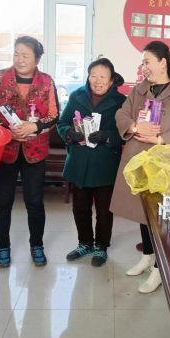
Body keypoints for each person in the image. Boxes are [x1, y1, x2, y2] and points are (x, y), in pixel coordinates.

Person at [111, 41, 170, 294]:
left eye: (147, 61)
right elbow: (121, 115)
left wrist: (160, 139)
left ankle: (161, 268)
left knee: (161, 217)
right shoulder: (139, 90)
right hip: (138, 160)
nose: (144, 67)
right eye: (143, 62)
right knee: (142, 211)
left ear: (163, 63)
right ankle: (147, 256)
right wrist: (135, 127)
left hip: (164, 164)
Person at [0, 36, 59, 268]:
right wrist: (6, 131)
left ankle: (37, 245)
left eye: (25, 55)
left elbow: (54, 115)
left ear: (37, 59)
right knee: (3, 202)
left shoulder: (46, 81)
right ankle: (2, 247)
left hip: (35, 151)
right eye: (16, 54)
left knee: (34, 202)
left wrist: (35, 126)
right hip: (5, 149)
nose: (20, 59)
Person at [57, 58, 126, 267]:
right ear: (88, 77)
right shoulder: (76, 96)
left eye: (103, 77)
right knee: (80, 208)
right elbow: (62, 122)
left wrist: (107, 135)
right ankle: (85, 243)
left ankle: (101, 246)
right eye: (93, 76)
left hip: (105, 164)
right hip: (79, 162)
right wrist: (69, 133)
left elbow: (126, 132)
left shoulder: (121, 101)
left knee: (104, 211)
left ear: (111, 80)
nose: (97, 81)